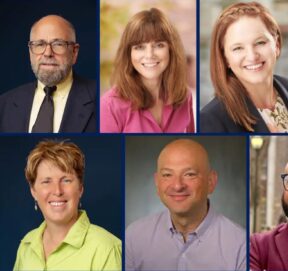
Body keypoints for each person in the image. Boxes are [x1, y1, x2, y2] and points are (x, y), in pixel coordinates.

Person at [125, 139, 246, 270]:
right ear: (157, 182)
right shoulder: (134, 237)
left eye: (189, 174)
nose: (177, 186)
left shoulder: (241, 244)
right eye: (167, 175)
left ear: (211, 182)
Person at [14, 140, 121, 270]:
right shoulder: (26, 245)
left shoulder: (106, 248)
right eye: (46, 181)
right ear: (33, 191)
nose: (57, 191)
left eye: (66, 180)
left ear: (80, 188)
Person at [200, 2, 288, 133]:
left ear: (277, 45)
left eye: (260, 42)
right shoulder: (211, 120)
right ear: (225, 58)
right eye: (238, 48)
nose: (252, 56)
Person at [100, 8, 194, 133]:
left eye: (159, 45)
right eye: (139, 47)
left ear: (171, 50)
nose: (149, 55)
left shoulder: (184, 96)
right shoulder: (109, 105)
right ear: (129, 53)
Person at [0, 15, 96, 133]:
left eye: (58, 44)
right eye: (40, 44)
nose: (48, 53)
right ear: (30, 51)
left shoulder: (99, 101)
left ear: (74, 52)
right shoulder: (4, 105)